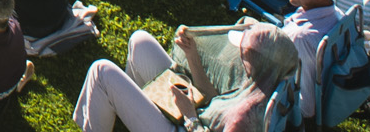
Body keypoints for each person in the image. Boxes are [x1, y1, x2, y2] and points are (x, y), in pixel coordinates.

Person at [72, 19, 298, 132]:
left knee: (102, 71)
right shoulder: (264, 82)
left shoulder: (243, 118)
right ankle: (125, 111)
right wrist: (192, 56)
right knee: (141, 41)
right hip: (195, 115)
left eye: (246, 53)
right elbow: (214, 99)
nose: (240, 54)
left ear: (261, 62)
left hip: (186, 126)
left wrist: (190, 116)